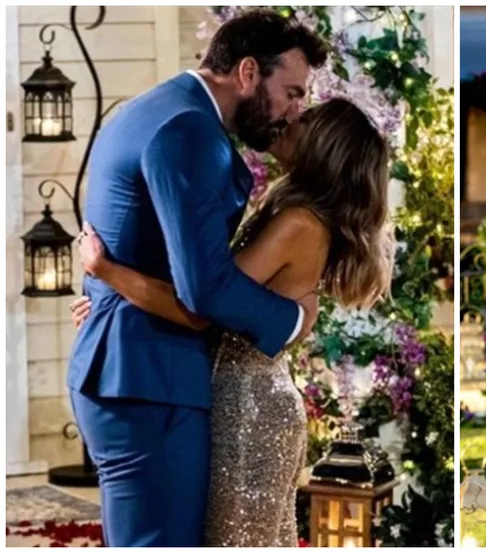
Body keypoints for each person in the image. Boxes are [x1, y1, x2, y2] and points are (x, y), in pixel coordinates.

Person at [72, 97, 393, 546]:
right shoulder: (295, 213)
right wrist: (115, 305)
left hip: (250, 410)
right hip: (241, 399)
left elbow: (202, 305)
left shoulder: (299, 222)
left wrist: (108, 273)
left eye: (303, 121)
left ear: (324, 147)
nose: (287, 121)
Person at [65, 9, 327, 546]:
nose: (294, 112)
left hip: (131, 368)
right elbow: (202, 289)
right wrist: (293, 317)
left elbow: (140, 244)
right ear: (249, 73)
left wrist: (107, 282)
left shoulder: (156, 108)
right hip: (148, 376)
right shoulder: (188, 130)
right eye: (293, 92)